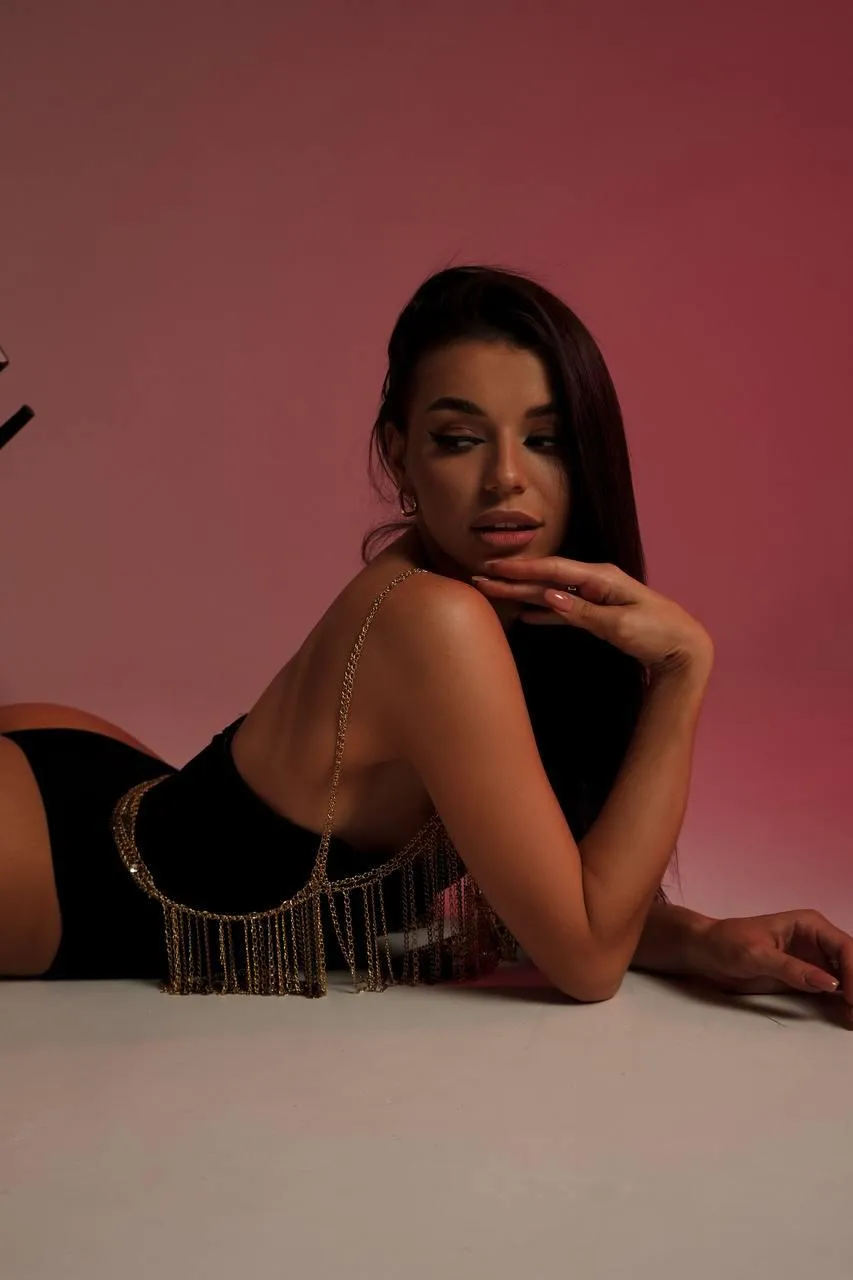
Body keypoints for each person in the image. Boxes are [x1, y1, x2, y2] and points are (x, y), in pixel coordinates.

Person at [1, 265, 850, 1019]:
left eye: (546, 439)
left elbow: (543, 902)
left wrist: (703, 943)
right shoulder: (435, 621)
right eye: (459, 438)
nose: (506, 476)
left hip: (111, 782)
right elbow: (584, 960)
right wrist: (681, 667)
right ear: (400, 460)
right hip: (44, 870)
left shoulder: (509, 614)